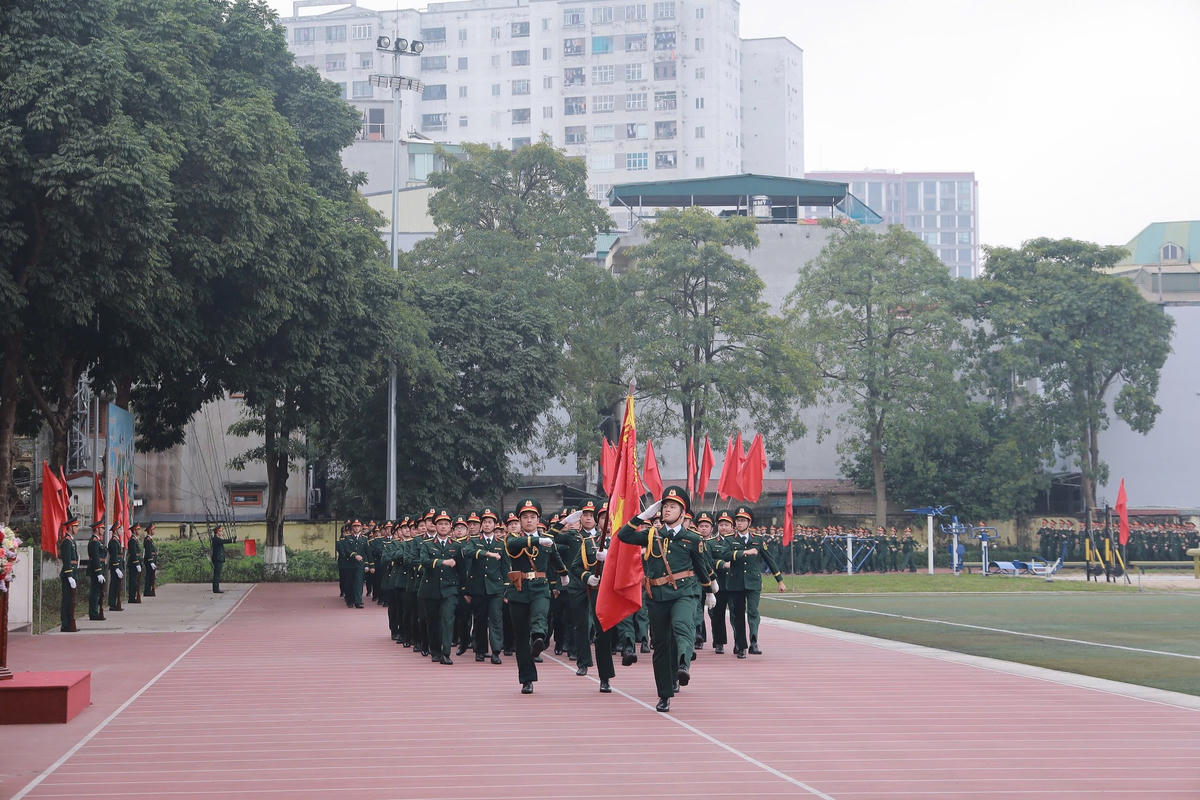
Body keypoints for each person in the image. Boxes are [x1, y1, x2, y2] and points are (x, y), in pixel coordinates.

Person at [616, 486, 716, 713]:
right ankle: (664, 695)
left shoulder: (692, 538)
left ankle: (683, 664)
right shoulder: (652, 535)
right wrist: (643, 516)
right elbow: (624, 536)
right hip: (657, 597)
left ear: (683, 512)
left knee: (682, 626)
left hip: (684, 593)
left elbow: (701, 568)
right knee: (660, 645)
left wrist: (709, 591)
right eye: (665, 506)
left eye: (673, 506)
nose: (667, 510)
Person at [505, 498, 568, 695]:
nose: (529, 520)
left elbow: (555, 557)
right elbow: (515, 545)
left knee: (541, 614)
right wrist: (537, 540)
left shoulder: (547, 540)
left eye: (532, 517)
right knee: (521, 637)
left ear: (538, 519)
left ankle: (539, 637)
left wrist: (564, 574)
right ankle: (527, 679)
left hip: (540, 586)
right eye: (525, 517)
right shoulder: (513, 538)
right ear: (520, 520)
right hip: (519, 589)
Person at [717, 506, 786, 658]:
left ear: (749, 522)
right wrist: (743, 553)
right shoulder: (730, 540)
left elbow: (770, 560)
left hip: (753, 582)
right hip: (736, 582)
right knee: (738, 614)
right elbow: (725, 554)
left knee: (753, 611)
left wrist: (779, 580)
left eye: (743, 521)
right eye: (738, 520)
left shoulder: (758, 540)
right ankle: (741, 645)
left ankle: (754, 641)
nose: (739, 523)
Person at [418, 511, 464, 665]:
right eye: (440, 524)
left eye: (446, 524)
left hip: (450, 589)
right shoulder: (427, 544)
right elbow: (424, 561)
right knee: (432, 621)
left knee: (447, 619)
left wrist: (462, 589)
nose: (443, 526)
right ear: (435, 526)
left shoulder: (457, 546)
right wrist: (441, 562)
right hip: (430, 589)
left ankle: (446, 653)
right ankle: (435, 650)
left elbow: (462, 570)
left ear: (450, 526)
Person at [463, 507, 508, 664]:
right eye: (485, 522)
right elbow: (466, 552)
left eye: (490, 522)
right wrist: (485, 553)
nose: (487, 525)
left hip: (496, 588)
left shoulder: (501, 544)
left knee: (496, 619)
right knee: (480, 619)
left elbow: (505, 567)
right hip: (478, 587)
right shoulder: (474, 541)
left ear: (495, 524)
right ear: (481, 525)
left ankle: (496, 651)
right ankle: (480, 649)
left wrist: (506, 589)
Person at [58, 516, 81, 632]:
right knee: (67, 599)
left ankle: (69, 622)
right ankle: (65, 624)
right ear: (70, 527)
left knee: (71, 600)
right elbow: (66, 561)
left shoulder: (71, 541)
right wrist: (70, 576)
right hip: (68, 574)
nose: (77, 528)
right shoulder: (67, 541)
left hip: (73, 572)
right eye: (76, 526)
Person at [86, 520, 107, 621]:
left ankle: (96, 612)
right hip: (95, 570)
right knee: (94, 592)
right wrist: (99, 572)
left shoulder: (98, 541)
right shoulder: (94, 542)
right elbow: (95, 558)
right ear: (97, 529)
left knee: (98, 592)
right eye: (102, 528)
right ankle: (93, 613)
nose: (103, 530)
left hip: (99, 568)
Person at [210, 524, 237, 593]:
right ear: (217, 532)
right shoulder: (216, 539)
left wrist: (233, 540)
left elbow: (223, 541)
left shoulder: (217, 539)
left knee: (217, 574)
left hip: (218, 559)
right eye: (221, 531)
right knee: (217, 575)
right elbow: (224, 541)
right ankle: (216, 589)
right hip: (217, 559)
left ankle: (216, 589)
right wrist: (232, 540)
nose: (222, 532)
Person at [107, 522, 124, 612]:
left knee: (117, 585)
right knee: (114, 585)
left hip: (118, 565)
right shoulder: (113, 541)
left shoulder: (117, 540)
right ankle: (112, 604)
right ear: (116, 530)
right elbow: (114, 556)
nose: (121, 531)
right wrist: (117, 568)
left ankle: (116, 603)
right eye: (120, 529)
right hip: (115, 567)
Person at [126, 522, 143, 604]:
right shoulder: (132, 540)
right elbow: (133, 553)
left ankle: (134, 596)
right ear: (134, 530)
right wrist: (137, 563)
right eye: (138, 529)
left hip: (136, 563)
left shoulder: (135, 540)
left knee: (135, 581)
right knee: (133, 581)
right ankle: (131, 597)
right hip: (133, 564)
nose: (140, 531)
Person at [142, 523, 158, 596]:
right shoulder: (147, 540)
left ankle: (149, 591)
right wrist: (151, 561)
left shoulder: (150, 540)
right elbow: (148, 552)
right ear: (150, 530)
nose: (154, 531)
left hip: (151, 560)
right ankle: (147, 591)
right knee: (148, 576)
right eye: (153, 529)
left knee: (151, 576)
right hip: (149, 561)